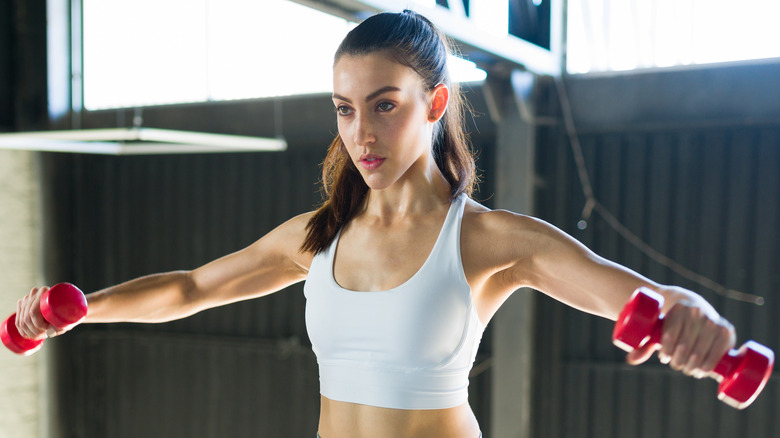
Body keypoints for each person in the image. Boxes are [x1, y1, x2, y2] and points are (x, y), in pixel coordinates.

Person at [14, 10, 735, 438]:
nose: (362, 133)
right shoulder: (317, 236)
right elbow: (191, 289)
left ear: (434, 103)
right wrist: (79, 314)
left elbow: (633, 294)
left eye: (385, 104)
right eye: (345, 108)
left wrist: (692, 313)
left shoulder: (488, 242)